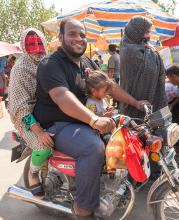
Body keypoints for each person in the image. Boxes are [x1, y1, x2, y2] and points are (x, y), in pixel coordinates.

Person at [33, 18, 145, 220]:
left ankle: (108, 187)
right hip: (58, 124)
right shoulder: (51, 64)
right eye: (72, 34)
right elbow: (61, 97)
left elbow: (109, 86)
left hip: (82, 121)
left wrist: (136, 103)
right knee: (93, 148)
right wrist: (94, 120)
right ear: (60, 37)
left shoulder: (86, 62)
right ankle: (84, 209)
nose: (79, 38)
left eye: (82, 35)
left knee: (125, 137)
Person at [8, 28, 54, 188]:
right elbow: (21, 109)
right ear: (23, 46)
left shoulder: (48, 62)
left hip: (46, 110)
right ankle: (32, 173)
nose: (36, 47)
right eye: (30, 44)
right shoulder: (20, 69)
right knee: (43, 146)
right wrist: (39, 132)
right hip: (26, 117)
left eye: (39, 43)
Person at [120, 15, 168, 119]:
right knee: (134, 128)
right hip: (135, 100)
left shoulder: (139, 46)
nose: (148, 36)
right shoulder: (131, 50)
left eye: (149, 32)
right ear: (136, 33)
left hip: (147, 100)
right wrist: (153, 53)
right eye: (146, 32)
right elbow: (150, 70)